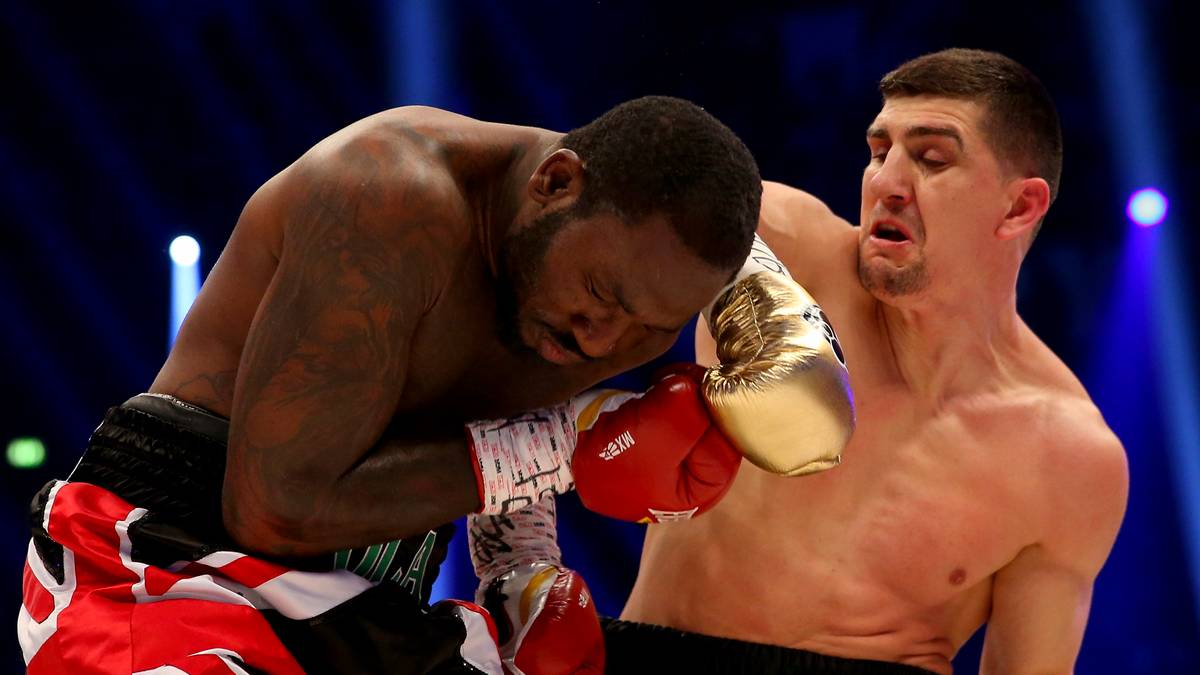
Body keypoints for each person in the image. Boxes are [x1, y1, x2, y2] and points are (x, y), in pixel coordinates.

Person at [17, 96, 771, 674]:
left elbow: (492, 419)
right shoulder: (389, 197)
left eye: (646, 327)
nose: (604, 339)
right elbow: (274, 508)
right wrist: (567, 447)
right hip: (168, 565)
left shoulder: (618, 281)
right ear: (555, 182)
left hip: (368, 595)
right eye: (602, 295)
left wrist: (522, 572)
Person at [603, 49, 1129, 674]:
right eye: (879, 153)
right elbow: (557, 188)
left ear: (1019, 208)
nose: (885, 183)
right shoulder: (780, 247)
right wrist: (517, 549)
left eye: (932, 159)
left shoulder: (1068, 455)